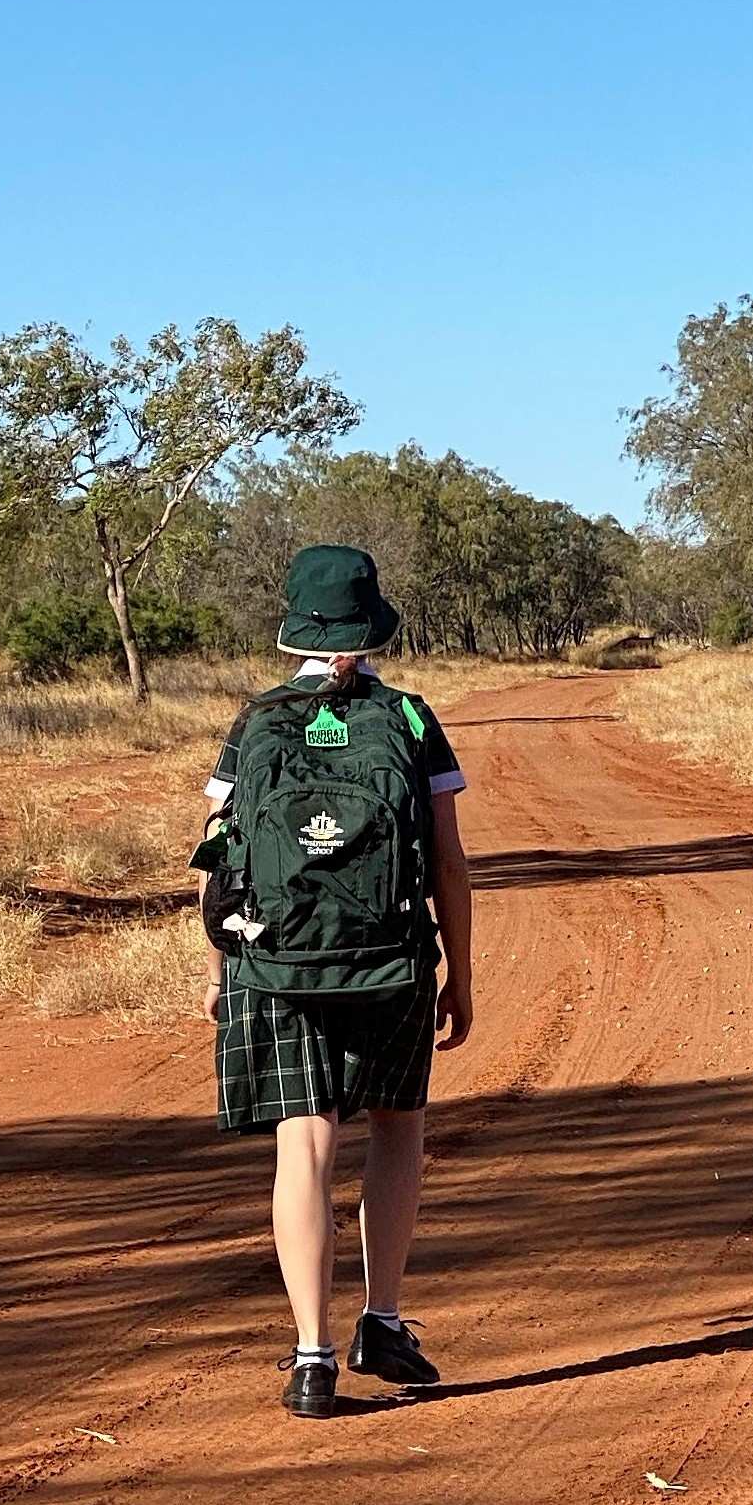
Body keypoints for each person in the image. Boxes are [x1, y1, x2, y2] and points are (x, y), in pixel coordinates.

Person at [195, 545, 473, 1417]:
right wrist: (458, 973)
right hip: (388, 961)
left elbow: (215, 859)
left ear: (296, 625)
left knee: (303, 1145)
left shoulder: (257, 720)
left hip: (272, 963)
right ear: (372, 620)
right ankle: (381, 1320)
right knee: (397, 1128)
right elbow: (448, 861)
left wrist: (218, 967)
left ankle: (312, 1357)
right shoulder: (410, 720)